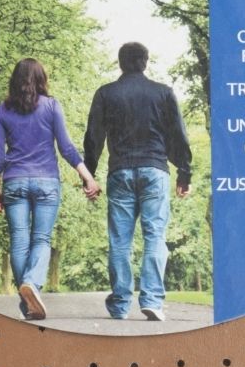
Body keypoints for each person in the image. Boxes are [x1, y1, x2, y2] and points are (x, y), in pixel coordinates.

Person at [83, 41, 193, 321]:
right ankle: (152, 300)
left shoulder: (106, 93)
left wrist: (89, 175)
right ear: (145, 62)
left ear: (121, 63)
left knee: (120, 241)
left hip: (120, 172)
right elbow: (177, 135)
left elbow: (94, 137)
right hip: (155, 170)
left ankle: (120, 304)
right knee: (155, 235)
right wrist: (184, 172)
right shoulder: (163, 93)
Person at [0, 58, 100, 320]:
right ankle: (32, 285)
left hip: (14, 181)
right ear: (41, 79)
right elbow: (67, 148)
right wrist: (88, 178)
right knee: (41, 239)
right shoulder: (51, 106)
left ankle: (28, 300)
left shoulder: (2, 110)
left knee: (19, 240)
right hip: (47, 182)